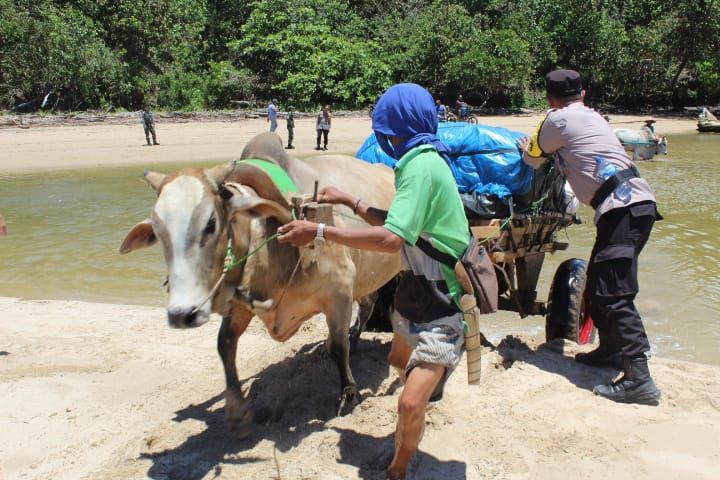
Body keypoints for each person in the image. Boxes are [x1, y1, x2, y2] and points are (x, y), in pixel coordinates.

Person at [278, 83, 470, 480]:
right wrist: (349, 202)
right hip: (414, 293)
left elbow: (390, 240)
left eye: (384, 127)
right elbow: (398, 223)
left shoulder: (420, 167)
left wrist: (319, 232)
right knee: (397, 361)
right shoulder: (420, 160)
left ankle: (398, 468)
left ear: (393, 128)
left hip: (442, 300)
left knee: (409, 404)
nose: (382, 136)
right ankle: (423, 378)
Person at [519, 69, 662, 406]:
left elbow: (532, 160)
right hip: (634, 204)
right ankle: (612, 352)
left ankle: (640, 378)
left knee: (613, 293)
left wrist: (529, 148)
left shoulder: (555, 121)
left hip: (622, 207)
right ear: (582, 94)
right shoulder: (592, 115)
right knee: (598, 282)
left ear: (550, 98)